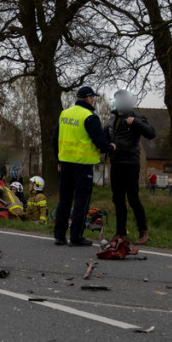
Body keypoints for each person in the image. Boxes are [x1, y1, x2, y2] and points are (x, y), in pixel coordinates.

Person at [53, 86, 114, 246]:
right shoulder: (90, 116)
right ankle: (76, 237)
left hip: (65, 162)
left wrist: (58, 161)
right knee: (81, 201)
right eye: (92, 97)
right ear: (87, 98)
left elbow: (55, 139)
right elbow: (99, 140)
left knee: (64, 200)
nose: (93, 100)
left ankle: (59, 236)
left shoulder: (65, 114)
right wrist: (110, 147)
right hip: (83, 164)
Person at [105, 89, 156, 245]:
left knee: (133, 198)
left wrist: (134, 122)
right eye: (117, 100)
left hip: (131, 163)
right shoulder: (111, 120)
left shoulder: (136, 117)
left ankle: (143, 232)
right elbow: (103, 138)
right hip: (116, 163)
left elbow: (151, 134)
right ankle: (121, 233)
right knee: (118, 199)